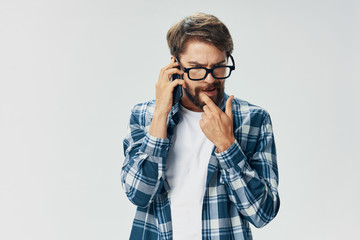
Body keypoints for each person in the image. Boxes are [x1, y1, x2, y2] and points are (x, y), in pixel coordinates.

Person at [121, 12, 280, 240]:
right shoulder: (144, 115)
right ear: (175, 65)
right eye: (196, 68)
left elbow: (262, 214)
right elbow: (137, 194)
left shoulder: (253, 120)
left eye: (218, 67)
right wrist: (160, 116)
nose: (209, 79)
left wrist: (227, 146)